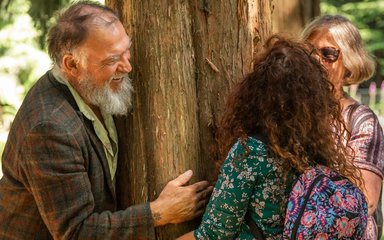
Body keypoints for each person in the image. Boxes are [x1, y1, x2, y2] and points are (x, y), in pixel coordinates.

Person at [0, 1, 213, 239]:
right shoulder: (49, 128)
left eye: (126, 50)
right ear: (71, 64)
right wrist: (159, 212)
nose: (128, 66)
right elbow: (76, 232)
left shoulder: (92, 88)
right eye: (112, 60)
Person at [177, 35, 362, 239]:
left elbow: (214, 234)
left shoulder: (250, 152)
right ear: (314, 97)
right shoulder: (315, 151)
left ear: (255, 91)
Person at [301, 14, 384, 239]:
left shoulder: (361, 119)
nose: (317, 61)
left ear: (349, 65)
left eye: (328, 54)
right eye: (310, 52)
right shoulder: (292, 113)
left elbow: (366, 201)